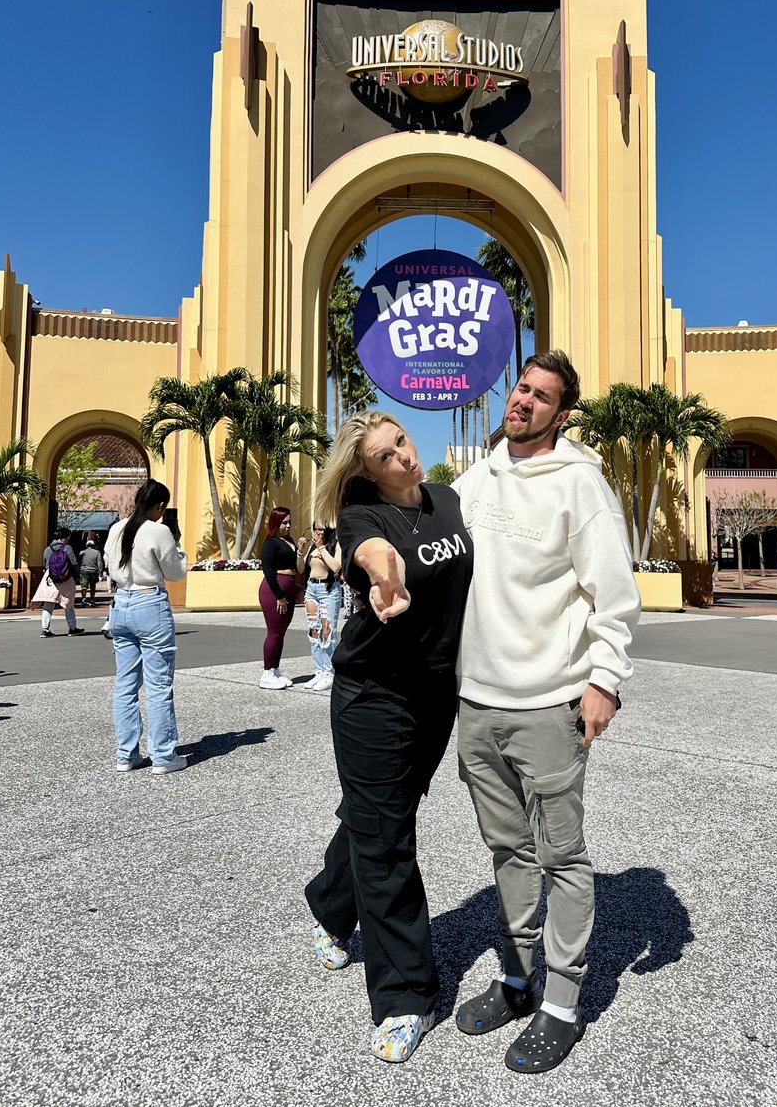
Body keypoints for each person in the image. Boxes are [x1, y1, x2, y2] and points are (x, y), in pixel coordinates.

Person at [452, 350, 637, 1075]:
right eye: (522, 388)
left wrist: (604, 681)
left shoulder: (581, 485)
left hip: (549, 703)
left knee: (561, 855)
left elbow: (613, 598)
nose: (524, 401)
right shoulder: (479, 475)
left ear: (563, 413)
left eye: (542, 396)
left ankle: (562, 1004)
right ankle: (522, 976)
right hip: (477, 702)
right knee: (508, 851)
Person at [303, 410, 472, 1065]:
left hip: (435, 695)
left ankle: (328, 902)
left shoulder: (451, 500)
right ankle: (406, 995)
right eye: (383, 455)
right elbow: (371, 555)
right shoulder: (361, 520)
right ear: (365, 473)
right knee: (388, 839)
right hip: (373, 695)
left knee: (378, 816)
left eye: (400, 441)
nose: (402, 456)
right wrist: (385, 575)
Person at [105, 480, 188, 774]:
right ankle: (163, 755)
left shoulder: (117, 528)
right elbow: (175, 573)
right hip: (149, 603)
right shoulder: (159, 530)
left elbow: (109, 564)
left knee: (125, 685)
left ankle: (126, 754)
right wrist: (178, 546)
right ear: (160, 505)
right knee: (158, 684)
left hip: (122, 602)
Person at [258, 507, 305, 690]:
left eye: (289, 522)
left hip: (290, 588)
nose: (287, 526)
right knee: (274, 632)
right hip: (274, 590)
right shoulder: (270, 543)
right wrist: (279, 595)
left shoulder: (289, 541)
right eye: (284, 522)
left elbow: (297, 567)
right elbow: (268, 572)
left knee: (282, 632)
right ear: (275, 523)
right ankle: (267, 672)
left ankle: (275, 670)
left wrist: (300, 550)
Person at [303, 520, 342, 692]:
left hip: (328, 591)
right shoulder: (313, 547)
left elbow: (336, 567)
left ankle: (329, 673)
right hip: (311, 589)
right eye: (315, 529)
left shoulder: (335, 545)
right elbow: (300, 568)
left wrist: (321, 548)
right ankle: (319, 671)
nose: (317, 532)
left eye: (321, 529)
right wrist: (300, 552)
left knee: (327, 632)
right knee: (314, 631)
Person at [32, 527, 84, 637]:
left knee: (48, 603)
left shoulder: (47, 549)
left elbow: (45, 564)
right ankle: (72, 628)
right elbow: (74, 563)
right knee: (68, 603)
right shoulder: (67, 548)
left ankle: (45, 629)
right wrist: (77, 576)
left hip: (50, 578)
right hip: (65, 577)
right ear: (64, 537)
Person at [79, 535, 104, 607]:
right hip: (93, 571)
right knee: (93, 586)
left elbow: (79, 562)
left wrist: (78, 571)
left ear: (86, 545)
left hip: (84, 571)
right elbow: (99, 563)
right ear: (93, 545)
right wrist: (100, 572)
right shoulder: (97, 552)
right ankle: (92, 599)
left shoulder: (82, 552)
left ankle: (83, 599)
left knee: (84, 586)